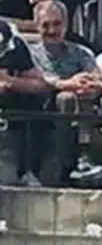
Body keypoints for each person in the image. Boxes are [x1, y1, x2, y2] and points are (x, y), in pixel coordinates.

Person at [28, 0, 102, 185]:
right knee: (66, 97)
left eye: (57, 24)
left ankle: (84, 155)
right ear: (36, 26)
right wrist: (66, 83)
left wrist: (89, 84)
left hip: (81, 102)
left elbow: (97, 76)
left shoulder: (81, 52)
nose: (52, 30)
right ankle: (67, 162)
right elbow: (39, 78)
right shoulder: (29, 52)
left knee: (82, 93)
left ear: (66, 24)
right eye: (46, 25)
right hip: (41, 105)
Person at [0, 17, 58, 187]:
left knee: (31, 102)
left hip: (10, 110)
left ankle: (28, 170)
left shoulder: (14, 42)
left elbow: (39, 82)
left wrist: (11, 82)